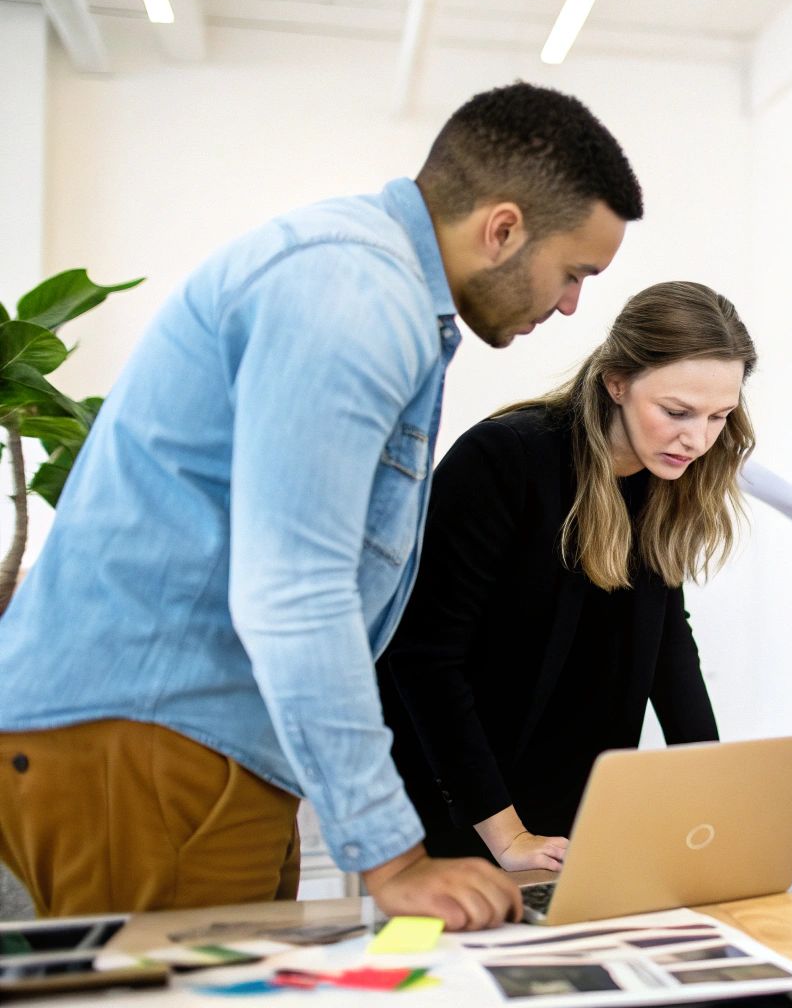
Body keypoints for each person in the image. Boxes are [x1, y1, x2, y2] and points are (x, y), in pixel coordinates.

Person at [0, 82, 642, 930]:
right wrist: (394, 858)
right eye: (574, 273)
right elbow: (297, 588)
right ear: (502, 229)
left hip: (203, 745)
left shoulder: (363, 279)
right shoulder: (355, 296)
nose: (570, 305)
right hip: (155, 736)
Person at [378, 281, 755, 871]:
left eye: (719, 416)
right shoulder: (504, 458)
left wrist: (711, 800)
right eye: (677, 412)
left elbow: (667, 646)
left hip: (571, 793)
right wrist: (507, 835)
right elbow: (424, 657)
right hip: (463, 791)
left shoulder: (663, 481)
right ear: (617, 382)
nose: (699, 439)